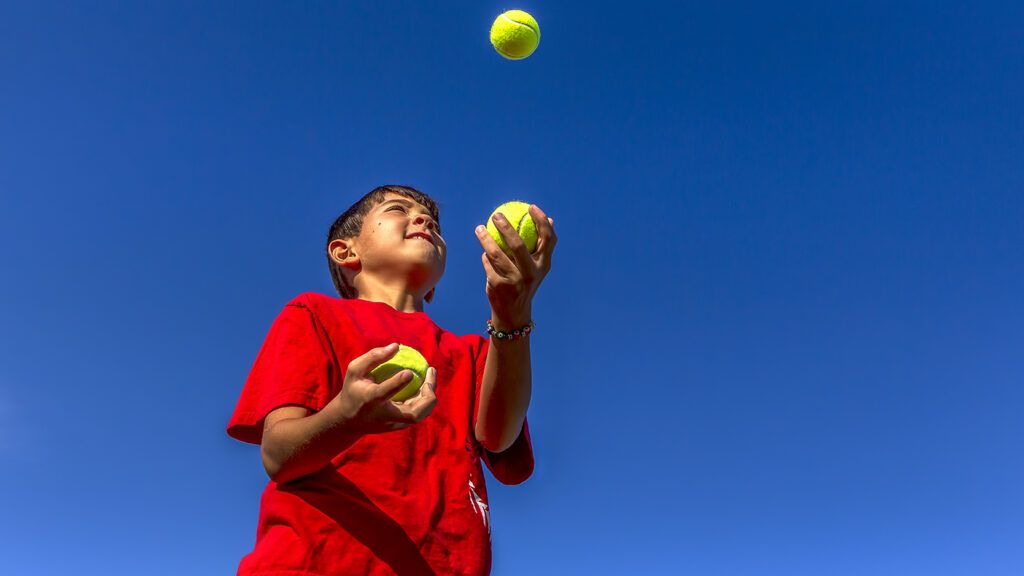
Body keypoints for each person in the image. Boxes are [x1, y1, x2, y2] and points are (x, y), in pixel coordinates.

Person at [226, 184, 557, 575]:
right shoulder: (312, 314)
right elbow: (278, 456)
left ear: (434, 287)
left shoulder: (475, 352)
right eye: (398, 209)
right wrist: (345, 418)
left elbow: (499, 437)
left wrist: (512, 314)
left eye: (433, 220)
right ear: (346, 252)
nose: (425, 220)